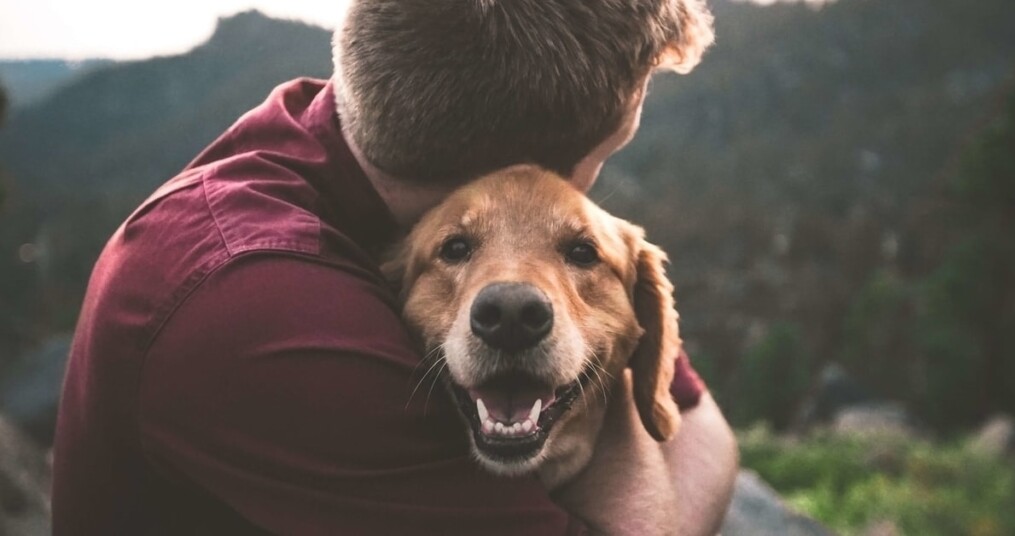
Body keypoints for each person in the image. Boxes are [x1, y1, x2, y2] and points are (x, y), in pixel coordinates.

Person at [52, 0, 737, 534]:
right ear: (523, 169)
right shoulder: (257, 307)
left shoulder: (357, 134)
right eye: (607, 152)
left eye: (577, 245)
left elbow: (698, 423)